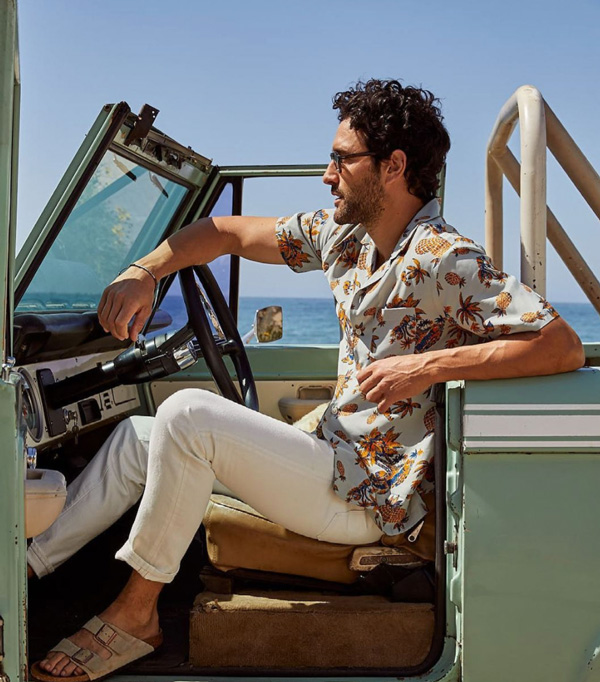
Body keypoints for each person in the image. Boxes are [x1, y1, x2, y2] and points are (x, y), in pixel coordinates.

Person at [30, 79, 585, 681]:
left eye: (342, 159)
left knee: (187, 418)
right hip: (329, 454)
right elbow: (224, 234)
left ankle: (136, 615)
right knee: (141, 436)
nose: (327, 174)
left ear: (393, 167)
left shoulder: (442, 258)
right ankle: (24, 569)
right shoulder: (348, 240)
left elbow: (560, 344)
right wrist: (144, 269)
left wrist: (424, 367)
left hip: (368, 497)